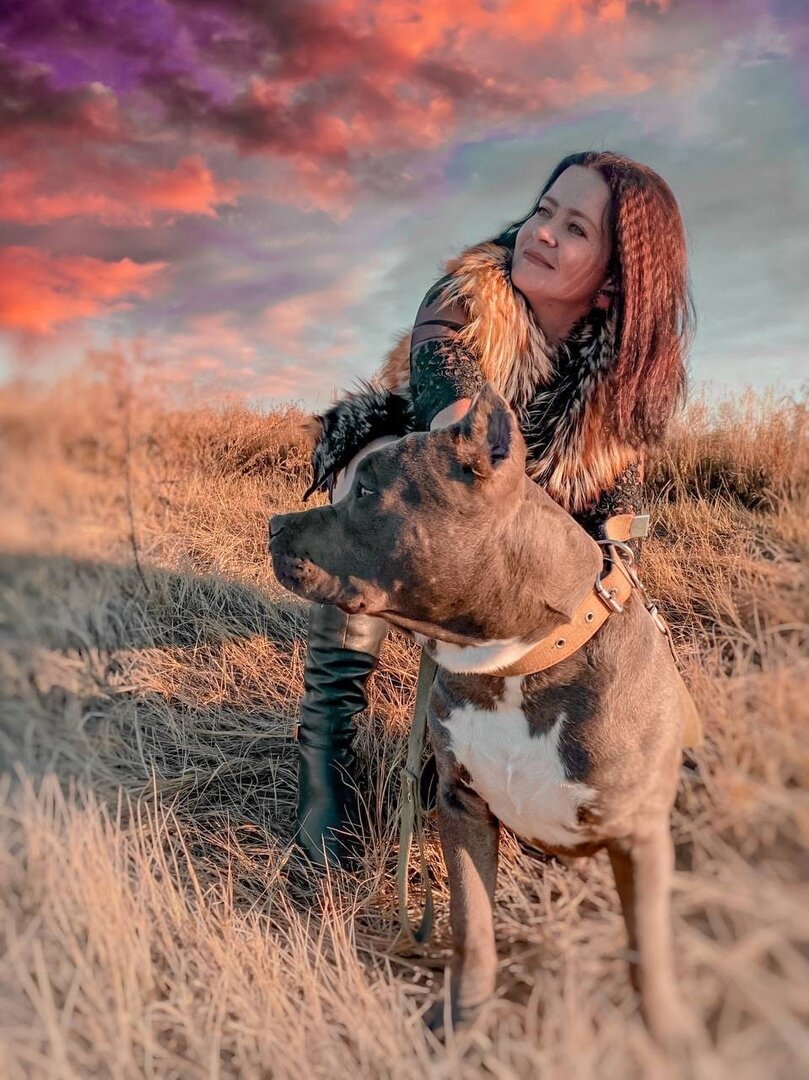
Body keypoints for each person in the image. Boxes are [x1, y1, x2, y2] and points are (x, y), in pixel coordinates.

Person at [295, 150, 693, 869]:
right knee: (377, 492)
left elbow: (612, 541)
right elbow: (462, 451)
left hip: (517, 537)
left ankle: (509, 749)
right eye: (544, 211)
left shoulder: (622, 384)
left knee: (594, 600)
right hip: (417, 476)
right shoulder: (465, 297)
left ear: (612, 283)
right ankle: (325, 747)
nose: (541, 232)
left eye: (575, 228)